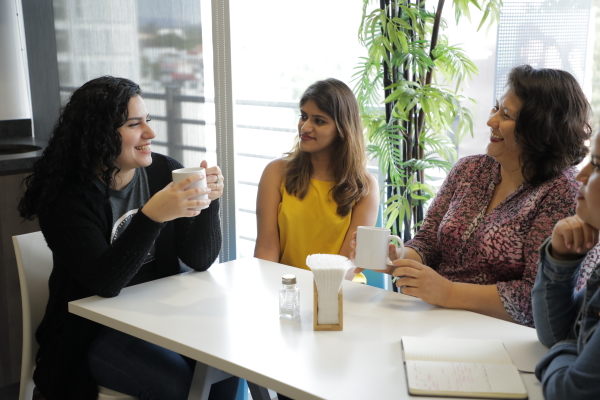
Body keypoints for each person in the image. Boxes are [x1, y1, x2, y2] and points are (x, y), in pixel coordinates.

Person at [18, 76, 238, 400]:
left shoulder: (164, 172)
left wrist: (208, 200)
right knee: (179, 387)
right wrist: (153, 216)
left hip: (161, 318)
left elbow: (200, 259)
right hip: (93, 334)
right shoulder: (66, 199)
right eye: (135, 124)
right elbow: (105, 283)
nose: (150, 133)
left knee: (227, 371)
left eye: (147, 120)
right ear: (99, 134)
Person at [353, 65, 592, 327]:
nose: (491, 121)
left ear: (539, 130)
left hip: (502, 335)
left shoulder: (563, 193)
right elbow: (429, 241)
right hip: (434, 319)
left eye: (507, 115)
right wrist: (398, 257)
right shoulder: (469, 169)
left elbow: (537, 299)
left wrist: (448, 292)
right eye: (496, 108)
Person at [254, 78, 379, 279]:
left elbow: (348, 263)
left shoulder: (365, 186)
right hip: (287, 289)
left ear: (342, 129)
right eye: (303, 116)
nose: (305, 127)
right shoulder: (275, 173)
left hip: (340, 290)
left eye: (319, 121)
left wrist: (319, 301)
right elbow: (266, 248)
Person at [532, 131, 600, 399]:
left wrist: (566, 347)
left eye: (597, 164)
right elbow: (556, 331)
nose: (580, 176)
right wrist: (561, 257)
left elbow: (568, 392)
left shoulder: (559, 189)